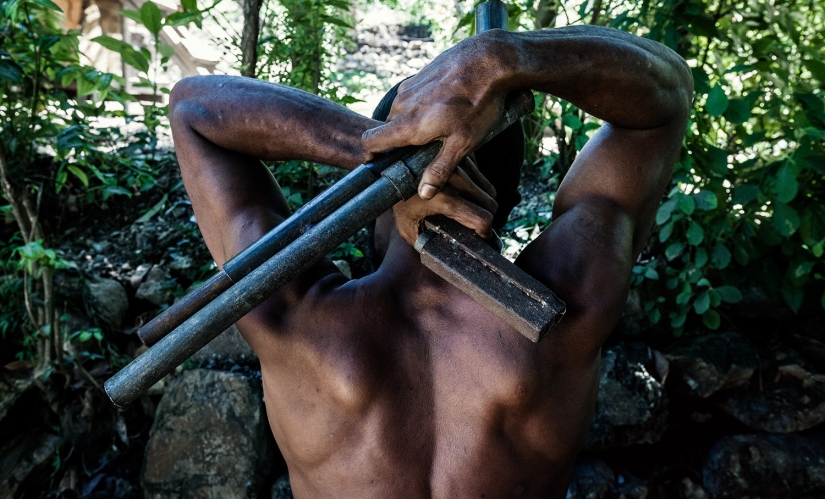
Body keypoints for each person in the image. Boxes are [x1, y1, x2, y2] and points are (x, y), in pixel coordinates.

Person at [168, 25, 692, 499]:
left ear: (366, 196)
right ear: (505, 196)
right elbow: (664, 101)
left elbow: (194, 108)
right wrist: (509, 55)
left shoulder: (293, 316)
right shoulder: (566, 310)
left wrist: (375, 152)